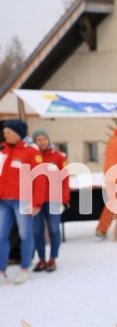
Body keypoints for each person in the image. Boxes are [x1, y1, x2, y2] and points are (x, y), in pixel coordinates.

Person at [0, 119, 46, 285]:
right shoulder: (2, 151)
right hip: (3, 201)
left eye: (8, 132)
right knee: (1, 235)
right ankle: (2, 271)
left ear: (18, 133)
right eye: (4, 132)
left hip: (23, 200)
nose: (5, 135)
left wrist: (36, 203)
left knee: (25, 234)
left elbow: (40, 179)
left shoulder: (31, 152)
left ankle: (25, 268)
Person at [31, 130, 69, 272]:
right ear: (35, 142)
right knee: (37, 230)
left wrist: (64, 199)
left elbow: (65, 179)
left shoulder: (58, 156)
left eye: (44, 139)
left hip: (54, 199)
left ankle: (52, 258)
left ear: (48, 140)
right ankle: (41, 259)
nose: (42, 142)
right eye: (39, 139)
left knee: (53, 229)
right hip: (36, 201)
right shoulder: (32, 157)